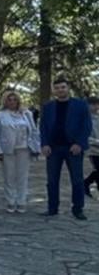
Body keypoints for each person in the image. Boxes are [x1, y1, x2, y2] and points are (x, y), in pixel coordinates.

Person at [40, 77, 92, 221]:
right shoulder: (48, 106)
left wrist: (79, 144)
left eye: (63, 87)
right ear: (53, 90)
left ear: (68, 88)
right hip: (53, 148)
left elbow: (86, 126)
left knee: (77, 180)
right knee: (52, 180)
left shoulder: (80, 105)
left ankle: (78, 209)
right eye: (57, 88)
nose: (60, 90)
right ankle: (52, 208)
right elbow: (43, 126)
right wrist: (44, 144)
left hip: (73, 148)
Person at [0, 89, 40, 214]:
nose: (12, 102)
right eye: (9, 99)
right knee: (9, 176)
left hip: (24, 149)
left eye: (14, 99)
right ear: (5, 101)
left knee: (22, 176)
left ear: (18, 100)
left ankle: (21, 201)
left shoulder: (26, 114)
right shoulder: (0, 115)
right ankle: (11, 201)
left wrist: (36, 146)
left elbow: (34, 131)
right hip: (7, 150)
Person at [86, 96, 99, 198]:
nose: (96, 106)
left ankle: (85, 184)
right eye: (93, 104)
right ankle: (85, 184)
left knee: (97, 170)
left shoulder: (98, 117)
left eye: (97, 104)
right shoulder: (86, 119)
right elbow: (86, 136)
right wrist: (96, 141)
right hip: (92, 149)